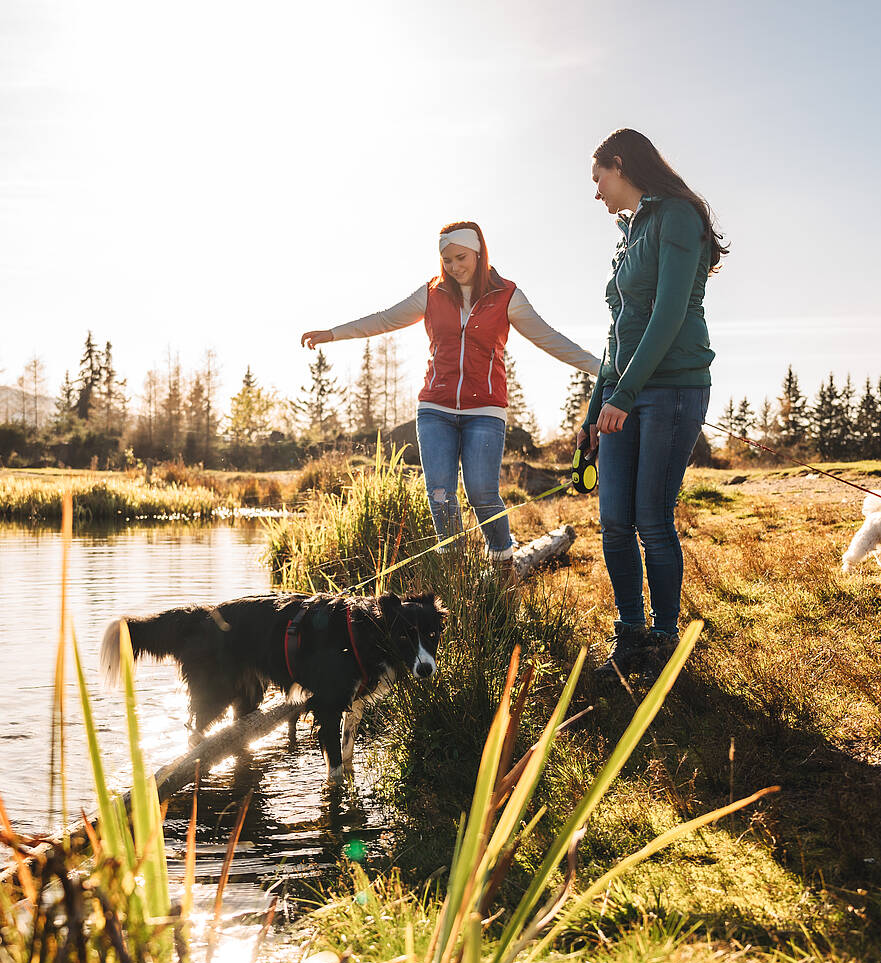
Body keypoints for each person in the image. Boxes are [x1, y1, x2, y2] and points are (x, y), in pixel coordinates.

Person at [302, 221, 600, 568]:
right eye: (446, 260)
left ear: (478, 251)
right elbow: (384, 319)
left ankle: (504, 569)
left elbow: (549, 338)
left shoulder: (506, 295)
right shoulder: (431, 293)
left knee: (482, 493)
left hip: (486, 411)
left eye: (461, 257)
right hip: (435, 408)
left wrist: (600, 367)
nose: (454, 267)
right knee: (440, 495)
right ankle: (455, 578)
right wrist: (332, 333)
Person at [576, 130, 728, 679]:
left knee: (651, 520)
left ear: (620, 165)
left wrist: (626, 395)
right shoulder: (628, 233)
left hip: (672, 388)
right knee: (614, 521)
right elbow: (618, 334)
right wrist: (597, 410)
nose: (597, 193)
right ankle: (631, 633)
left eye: (599, 179)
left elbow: (666, 315)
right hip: (626, 393)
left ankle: (665, 639)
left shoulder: (678, 217)